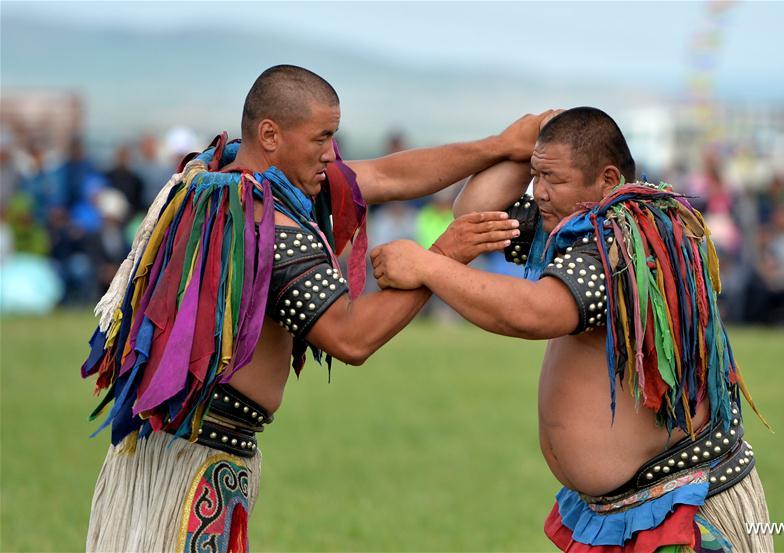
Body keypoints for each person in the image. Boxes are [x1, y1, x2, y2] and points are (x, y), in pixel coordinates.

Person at [81, 64, 545, 552]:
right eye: (321, 138)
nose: (331, 154)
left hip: (163, 455)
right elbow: (350, 337)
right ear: (270, 134)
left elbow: (386, 174)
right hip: (193, 466)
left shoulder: (216, 178)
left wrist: (499, 145)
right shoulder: (266, 223)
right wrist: (441, 259)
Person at [371, 107, 773, 552]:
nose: (540, 193)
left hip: (683, 508)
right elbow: (474, 215)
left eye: (554, 180)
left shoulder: (630, 237)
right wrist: (520, 148)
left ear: (606, 180)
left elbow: (534, 314)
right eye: (536, 178)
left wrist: (429, 265)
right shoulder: (575, 223)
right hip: (626, 509)